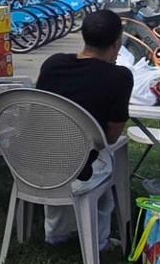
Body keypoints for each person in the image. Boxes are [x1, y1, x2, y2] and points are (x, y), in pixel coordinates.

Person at [35, 9, 134, 177]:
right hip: (77, 167)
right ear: (117, 43)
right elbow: (111, 137)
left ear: (84, 36)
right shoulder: (119, 77)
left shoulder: (53, 63)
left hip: (31, 158)